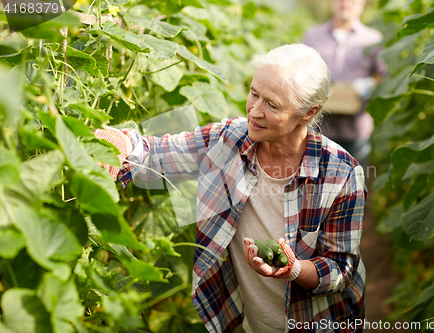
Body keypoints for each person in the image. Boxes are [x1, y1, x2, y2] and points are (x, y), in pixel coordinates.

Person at [95, 44, 367, 333]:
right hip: (245, 320)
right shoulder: (228, 140)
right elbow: (155, 153)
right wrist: (121, 141)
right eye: (254, 94)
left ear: (307, 113)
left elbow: (340, 270)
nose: (255, 111)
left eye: (272, 105)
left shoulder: (342, 173)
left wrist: (294, 269)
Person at [302, 0, 387, 168]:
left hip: (356, 130)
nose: (345, 3)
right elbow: (302, 70)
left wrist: (370, 83)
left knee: (353, 187)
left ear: (362, 5)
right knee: (315, 186)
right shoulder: (312, 35)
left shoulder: (373, 38)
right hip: (318, 129)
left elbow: (382, 74)